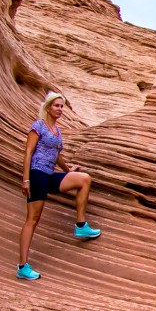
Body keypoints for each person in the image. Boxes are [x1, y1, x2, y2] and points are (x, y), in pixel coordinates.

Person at [17, 91, 100, 280]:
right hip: (37, 175)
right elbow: (28, 152)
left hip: (50, 174)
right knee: (33, 219)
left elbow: (57, 155)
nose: (60, 109)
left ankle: (80, 225)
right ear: (48, 107)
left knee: (83, 179)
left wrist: (69, 171)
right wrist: (26, 179)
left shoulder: (57, 130)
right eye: (57, 106)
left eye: (62, 106)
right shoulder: (38, 126)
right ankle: (22, 266)